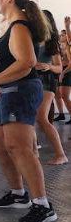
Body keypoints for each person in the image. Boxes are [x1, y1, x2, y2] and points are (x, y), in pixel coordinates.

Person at [0, 0, 57, 222]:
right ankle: (18, 194)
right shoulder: (14, 26)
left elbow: (26, 62)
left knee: (21, 148)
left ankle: (43, 205)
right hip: (9, 92)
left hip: (19, 91)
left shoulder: (19, 26)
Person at [32, 10, 66, 165]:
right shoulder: (33, 38)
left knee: (41, 118)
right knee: (31, 118)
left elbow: (59, 67)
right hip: (33, 79)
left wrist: (48, 66)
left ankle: (61, 154)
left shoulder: (51, 41)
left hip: (47, 80)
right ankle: (34, 152)